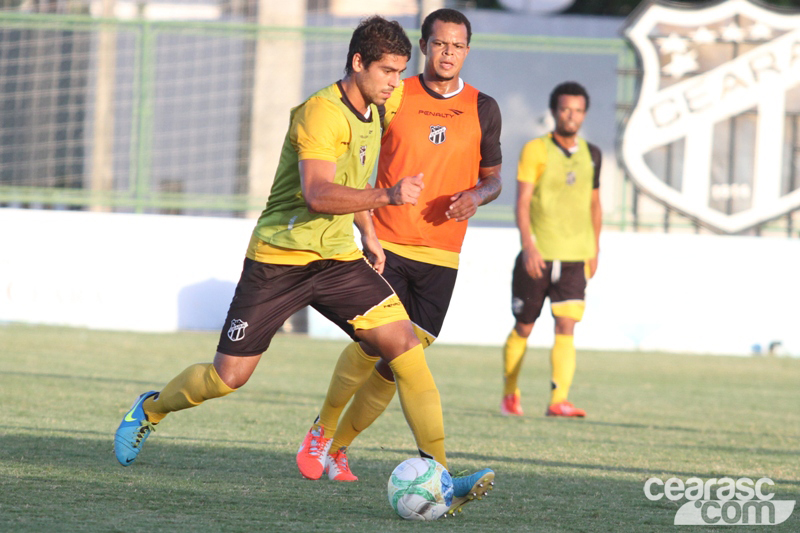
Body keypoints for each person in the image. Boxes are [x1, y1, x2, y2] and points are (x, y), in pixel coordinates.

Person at [113, 16, 492, 508]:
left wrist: (368, 234)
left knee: (405, 347)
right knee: (227, 377)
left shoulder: (383, 101)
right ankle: (150, 409)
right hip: (279, 260)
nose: (397, 84)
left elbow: (365, 162)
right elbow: (317, 193)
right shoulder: (320, 113)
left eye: (401, 72)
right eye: (388, 72)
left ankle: (442, 475)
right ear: (357, 64)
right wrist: (385, 198)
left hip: (337, 258)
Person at [295, 8, 500, 513]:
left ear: (467, 50)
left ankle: (337, 449)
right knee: (374, 348)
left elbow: (494, 177)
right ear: (426, 46)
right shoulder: (396, 93)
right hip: (388, 244)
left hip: (442, 256)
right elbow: (360, 157)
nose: (448, 52)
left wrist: (478, 195)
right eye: (440, 43)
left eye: (458, 45)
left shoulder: (484, 107)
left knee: (393, 369)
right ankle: (322, 432)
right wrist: (366, 222)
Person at [500, 81, 601, 418]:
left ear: (584, 115)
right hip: (539, 255)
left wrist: (594, 248)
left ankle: (559, 400)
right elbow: (523, 202)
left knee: (567, 326)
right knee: (524, 327)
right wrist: (528, 245)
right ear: (555, 112)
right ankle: (510, 393)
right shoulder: (536, 150)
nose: (571, 116)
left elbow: (594, 205)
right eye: (565, 109)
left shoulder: (593, 154)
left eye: (578, 110)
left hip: (575, 256)